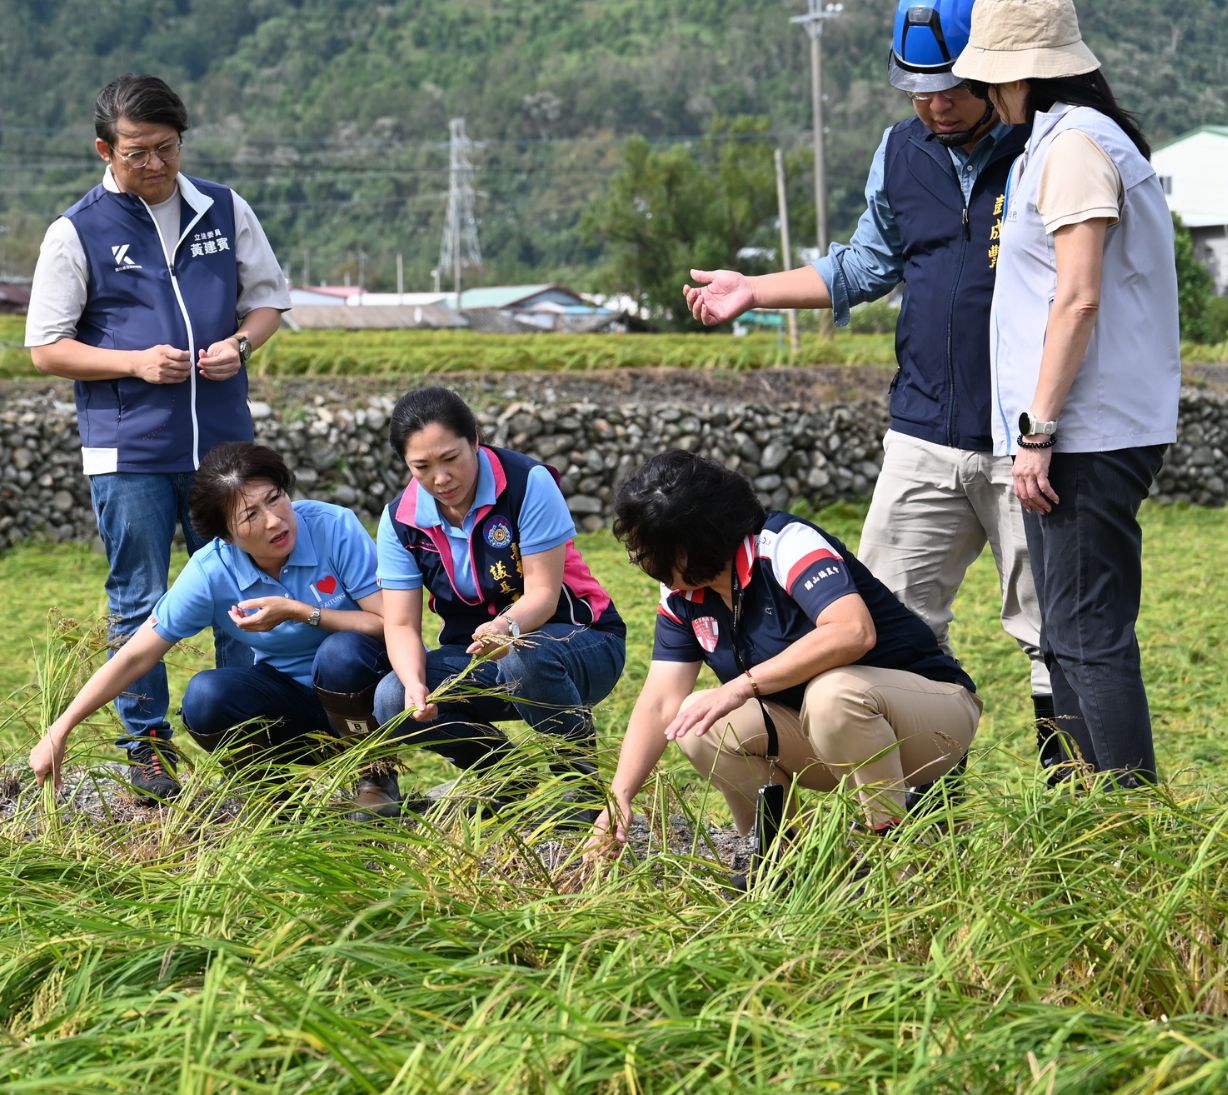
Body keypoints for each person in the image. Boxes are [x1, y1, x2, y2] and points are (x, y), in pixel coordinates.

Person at [682, 0, 1068, 779]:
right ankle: (924, 818)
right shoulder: (899, 152)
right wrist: (752, 290)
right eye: (916, 90)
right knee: (889, 622)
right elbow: (864, 264)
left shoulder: (1046, 146)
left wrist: (1049, 427)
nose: (933, 104)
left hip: (1024, 438)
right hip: (922, 431)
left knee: (1049, 627)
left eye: (950, 88)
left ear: (991, 73)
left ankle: (1071, 797)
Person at [26, 73, 291, 802]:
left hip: (224, 449)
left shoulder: (224, 208)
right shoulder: (75, 231)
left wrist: (240, 343)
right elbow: (46, 348)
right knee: (138, 598)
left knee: (243, 587)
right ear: (103, 149)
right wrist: (134, 363)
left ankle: (251, 741)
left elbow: (268, 301)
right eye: (136, 153)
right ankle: (146, 747)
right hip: (129, 449)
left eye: (166, 150)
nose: (154, 166)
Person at [953, 0, 1178, 784]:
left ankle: (1129, 827)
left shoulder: (1075, 146)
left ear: (1016, 73)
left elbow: (1076, 298)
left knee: (1086, 633)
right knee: (1068, 634)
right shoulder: (1058, 141)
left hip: (1084, 433)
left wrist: (1038, 431)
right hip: (1075, 430)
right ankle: (1099, 817)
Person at [589, 451, 981, 864]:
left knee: (833, 693)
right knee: (697, 722)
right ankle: (788, 861)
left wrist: (741, 687)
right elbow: (660, 702)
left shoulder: (785, 544)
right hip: (826, 734)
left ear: (691, 545)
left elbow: (852, 631)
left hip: (930, 723)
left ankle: (890, 853)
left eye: (645, 548)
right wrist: (619, 798)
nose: (640, 559)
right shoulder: (682, 592)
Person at [29, 444, 398, 813]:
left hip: (363, 695)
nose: (274, 520)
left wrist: (300, 612)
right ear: (225, 535)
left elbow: (389, 624)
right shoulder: (211, 571)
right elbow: (136, 656)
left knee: (341, 654)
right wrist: (59, 729)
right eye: (250, 514)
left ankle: (376, 777)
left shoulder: (332, 526)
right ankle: (270, 796)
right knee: (206, 695)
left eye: (275, 498)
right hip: (294, 708)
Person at [373, 387, 627, 812]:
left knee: (519, 656)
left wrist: (504, 628)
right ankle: (505, 777)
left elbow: (544, 595)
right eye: (422, 466)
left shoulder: (527, 483)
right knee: (389, 698)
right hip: (477, 655)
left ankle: (581, 787)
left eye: (451, 458)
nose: (440, 478)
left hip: (581, 643)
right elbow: (399, 624)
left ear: (475, 439)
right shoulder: (399, 520)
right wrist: (416, 683)